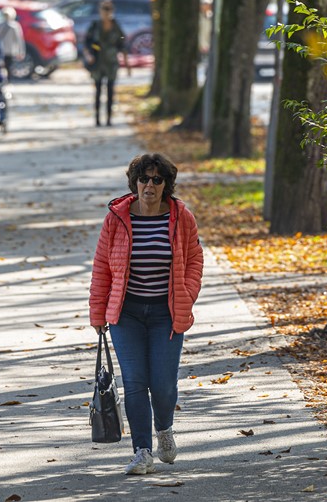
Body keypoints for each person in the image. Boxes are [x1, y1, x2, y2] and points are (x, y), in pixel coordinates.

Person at [89, 153, 204, 475]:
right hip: (127, 314)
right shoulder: (118, 218)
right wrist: (98, 312)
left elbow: (195, 259)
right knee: (136, 382)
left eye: (156, 180)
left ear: (166, 185)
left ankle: (164, 429)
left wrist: (188, 293)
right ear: (134, 183)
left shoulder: (181, 217)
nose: (149, 185)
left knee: (164, 384)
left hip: (166, 313)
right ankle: (142, 451)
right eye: (144, 179)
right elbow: (102, 268)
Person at [83, 0, 130, 127]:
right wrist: (89, 55)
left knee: (110, 90)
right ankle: (97, 118)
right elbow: (87, 42)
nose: (106, 13)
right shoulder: (95, 26)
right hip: (98, 61)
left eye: (108, 11)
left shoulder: (116, 26)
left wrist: (127, 64)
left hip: (111, 62)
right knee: (98, 90)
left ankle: (109, 118)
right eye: (104, 10)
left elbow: (122, 42)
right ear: (100, 11)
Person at [0, 7, 26, 82]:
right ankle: (7, 79)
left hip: (2, 49)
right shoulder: (15, 26)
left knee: (3, 65)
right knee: (7, 65)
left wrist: (21, 51)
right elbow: (19, 40)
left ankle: (4, 79)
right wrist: (21, 51)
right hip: (9, 49)